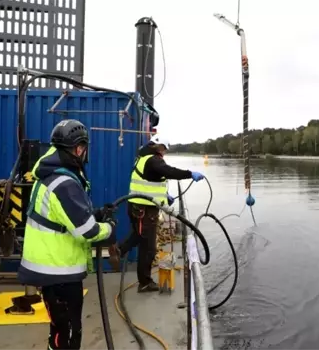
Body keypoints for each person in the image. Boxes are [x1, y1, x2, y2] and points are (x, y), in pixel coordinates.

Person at [18, 119, 119, 350]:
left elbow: (61, 217)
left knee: (59, 328)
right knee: (69, 333)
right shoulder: (65, 183)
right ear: (80, 148)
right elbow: (88, 231)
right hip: (58, 272)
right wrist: (110, 228)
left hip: (50, 269)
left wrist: (96, 213)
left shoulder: (49, 173)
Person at [115, 134, 205, 292]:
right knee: (148, 248)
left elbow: (151, 180)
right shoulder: (153, 160)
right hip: (144, 210)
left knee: (138, 235)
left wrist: (165, 196)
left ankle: (119, 250)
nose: (164, 153)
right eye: (164, 149)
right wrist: (190, 174)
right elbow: (169, 172)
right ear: (158, 146)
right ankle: (145, 282)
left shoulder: (143, 158)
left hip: (138, 208)